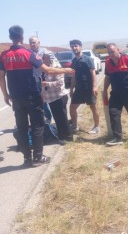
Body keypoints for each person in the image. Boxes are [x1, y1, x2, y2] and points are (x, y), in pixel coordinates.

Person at [0, 25, 74, 166]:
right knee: (37, 126)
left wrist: (5, 94)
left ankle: (27, 157)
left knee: (21, 127)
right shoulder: (28, 54)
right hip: (32, 96)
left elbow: (1, 76)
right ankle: (38, 157)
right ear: (22, 37)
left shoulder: (4, 56)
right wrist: (66, 70)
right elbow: (47, 69)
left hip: (16, 97)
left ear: (10, 37)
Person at [103, 43, 128, 146]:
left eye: (112, 51)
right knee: (113, 113)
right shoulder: (108, 63)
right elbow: (107, 77)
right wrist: (104, 90)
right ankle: (117, 137)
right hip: (116, 94)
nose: (111, 54)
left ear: (118, 49)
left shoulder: (127, 59)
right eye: (109, 52)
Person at [68, 39, 100, 134]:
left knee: (93, 107)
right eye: (72, 46)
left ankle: (97, 127)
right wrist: (71, 89)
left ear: (80, 47)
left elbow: (93, 73)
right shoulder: (73, 61)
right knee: (72, 107)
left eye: (76, 46)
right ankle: (75, 126)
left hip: (89, 88)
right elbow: (73, 76)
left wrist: (94, 87)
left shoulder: (88, 59)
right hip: (79, 89)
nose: (74, 48)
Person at [41, 53, 72, 145]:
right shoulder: (44, 70)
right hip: (51, 98)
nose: (44, 61)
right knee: (57, 118)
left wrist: (47, 84)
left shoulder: (57, 68)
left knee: (62, 118)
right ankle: (63, 135)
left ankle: (66, 137)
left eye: (46, 59)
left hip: (59, 97)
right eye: (43, 59)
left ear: (51, 59)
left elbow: (60, 83)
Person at [29, 36, 58, 124]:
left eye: (34, 42)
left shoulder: (45, 51)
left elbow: (52, 63)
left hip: (47, 79)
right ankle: (48, 118)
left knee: (52, 99)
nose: (32, 44)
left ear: (39, 43)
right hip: (36, 80)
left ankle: (58, 119)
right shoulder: (29, 53)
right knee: (41, 100)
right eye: (30, 42)